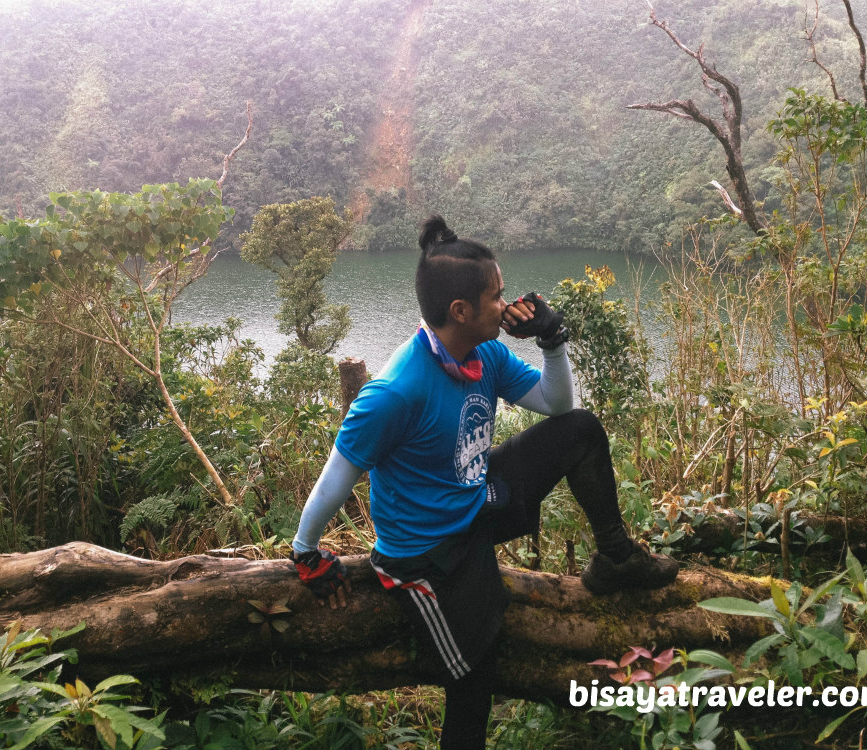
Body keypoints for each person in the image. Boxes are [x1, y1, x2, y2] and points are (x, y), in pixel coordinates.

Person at [289, 215, 678, 749]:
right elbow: (336, 478)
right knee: (473, 677)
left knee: (581, 431)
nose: (507, 303)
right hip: (426, 552)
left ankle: (615, 559)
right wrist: (305, 552)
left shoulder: (484, 353)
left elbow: (557, 406)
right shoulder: (395, 392)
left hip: (475, 497)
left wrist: (552, 339)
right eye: (496, 296)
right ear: (460, 311)